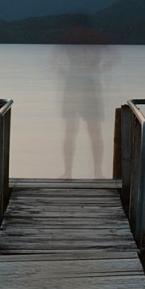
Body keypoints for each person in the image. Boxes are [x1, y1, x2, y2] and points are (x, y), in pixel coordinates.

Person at [52, 14, 115, 179]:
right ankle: (68, 172)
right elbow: (54, 59)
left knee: (93, 130)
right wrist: (68, 72)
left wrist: (95, 69)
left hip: (87, 85)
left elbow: (113, 57)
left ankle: (97, 172)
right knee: (71, 130)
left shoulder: (86, 38)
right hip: (75, 84)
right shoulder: (78, 39)